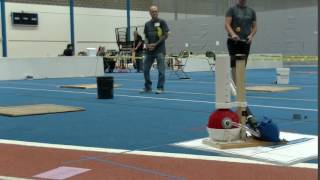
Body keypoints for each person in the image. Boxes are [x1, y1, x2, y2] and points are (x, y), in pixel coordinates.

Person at [225, 0, 257, 82]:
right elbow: (227, 24)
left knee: (242, 64)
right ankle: (237, 86)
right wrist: (233, 34)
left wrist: (251, 36)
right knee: (234, 65)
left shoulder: (252, 11)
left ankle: (240, 84)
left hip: (246, 42)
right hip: (233, 41)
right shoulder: (231, 9)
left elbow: (254, 27)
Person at [141, 5, 169, 94]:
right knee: (145, 69)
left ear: (158, 12)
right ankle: (148, 87)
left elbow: (166, 35)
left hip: (160, 50)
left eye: (156, 11)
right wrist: (147, 44)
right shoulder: (147, 24)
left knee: (161, 70)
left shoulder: (162, 22)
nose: (154, 13)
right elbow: (145, 36)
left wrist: (155, 44)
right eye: (153, 11)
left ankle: (160, 87)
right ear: (150, 13)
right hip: (149, 51)